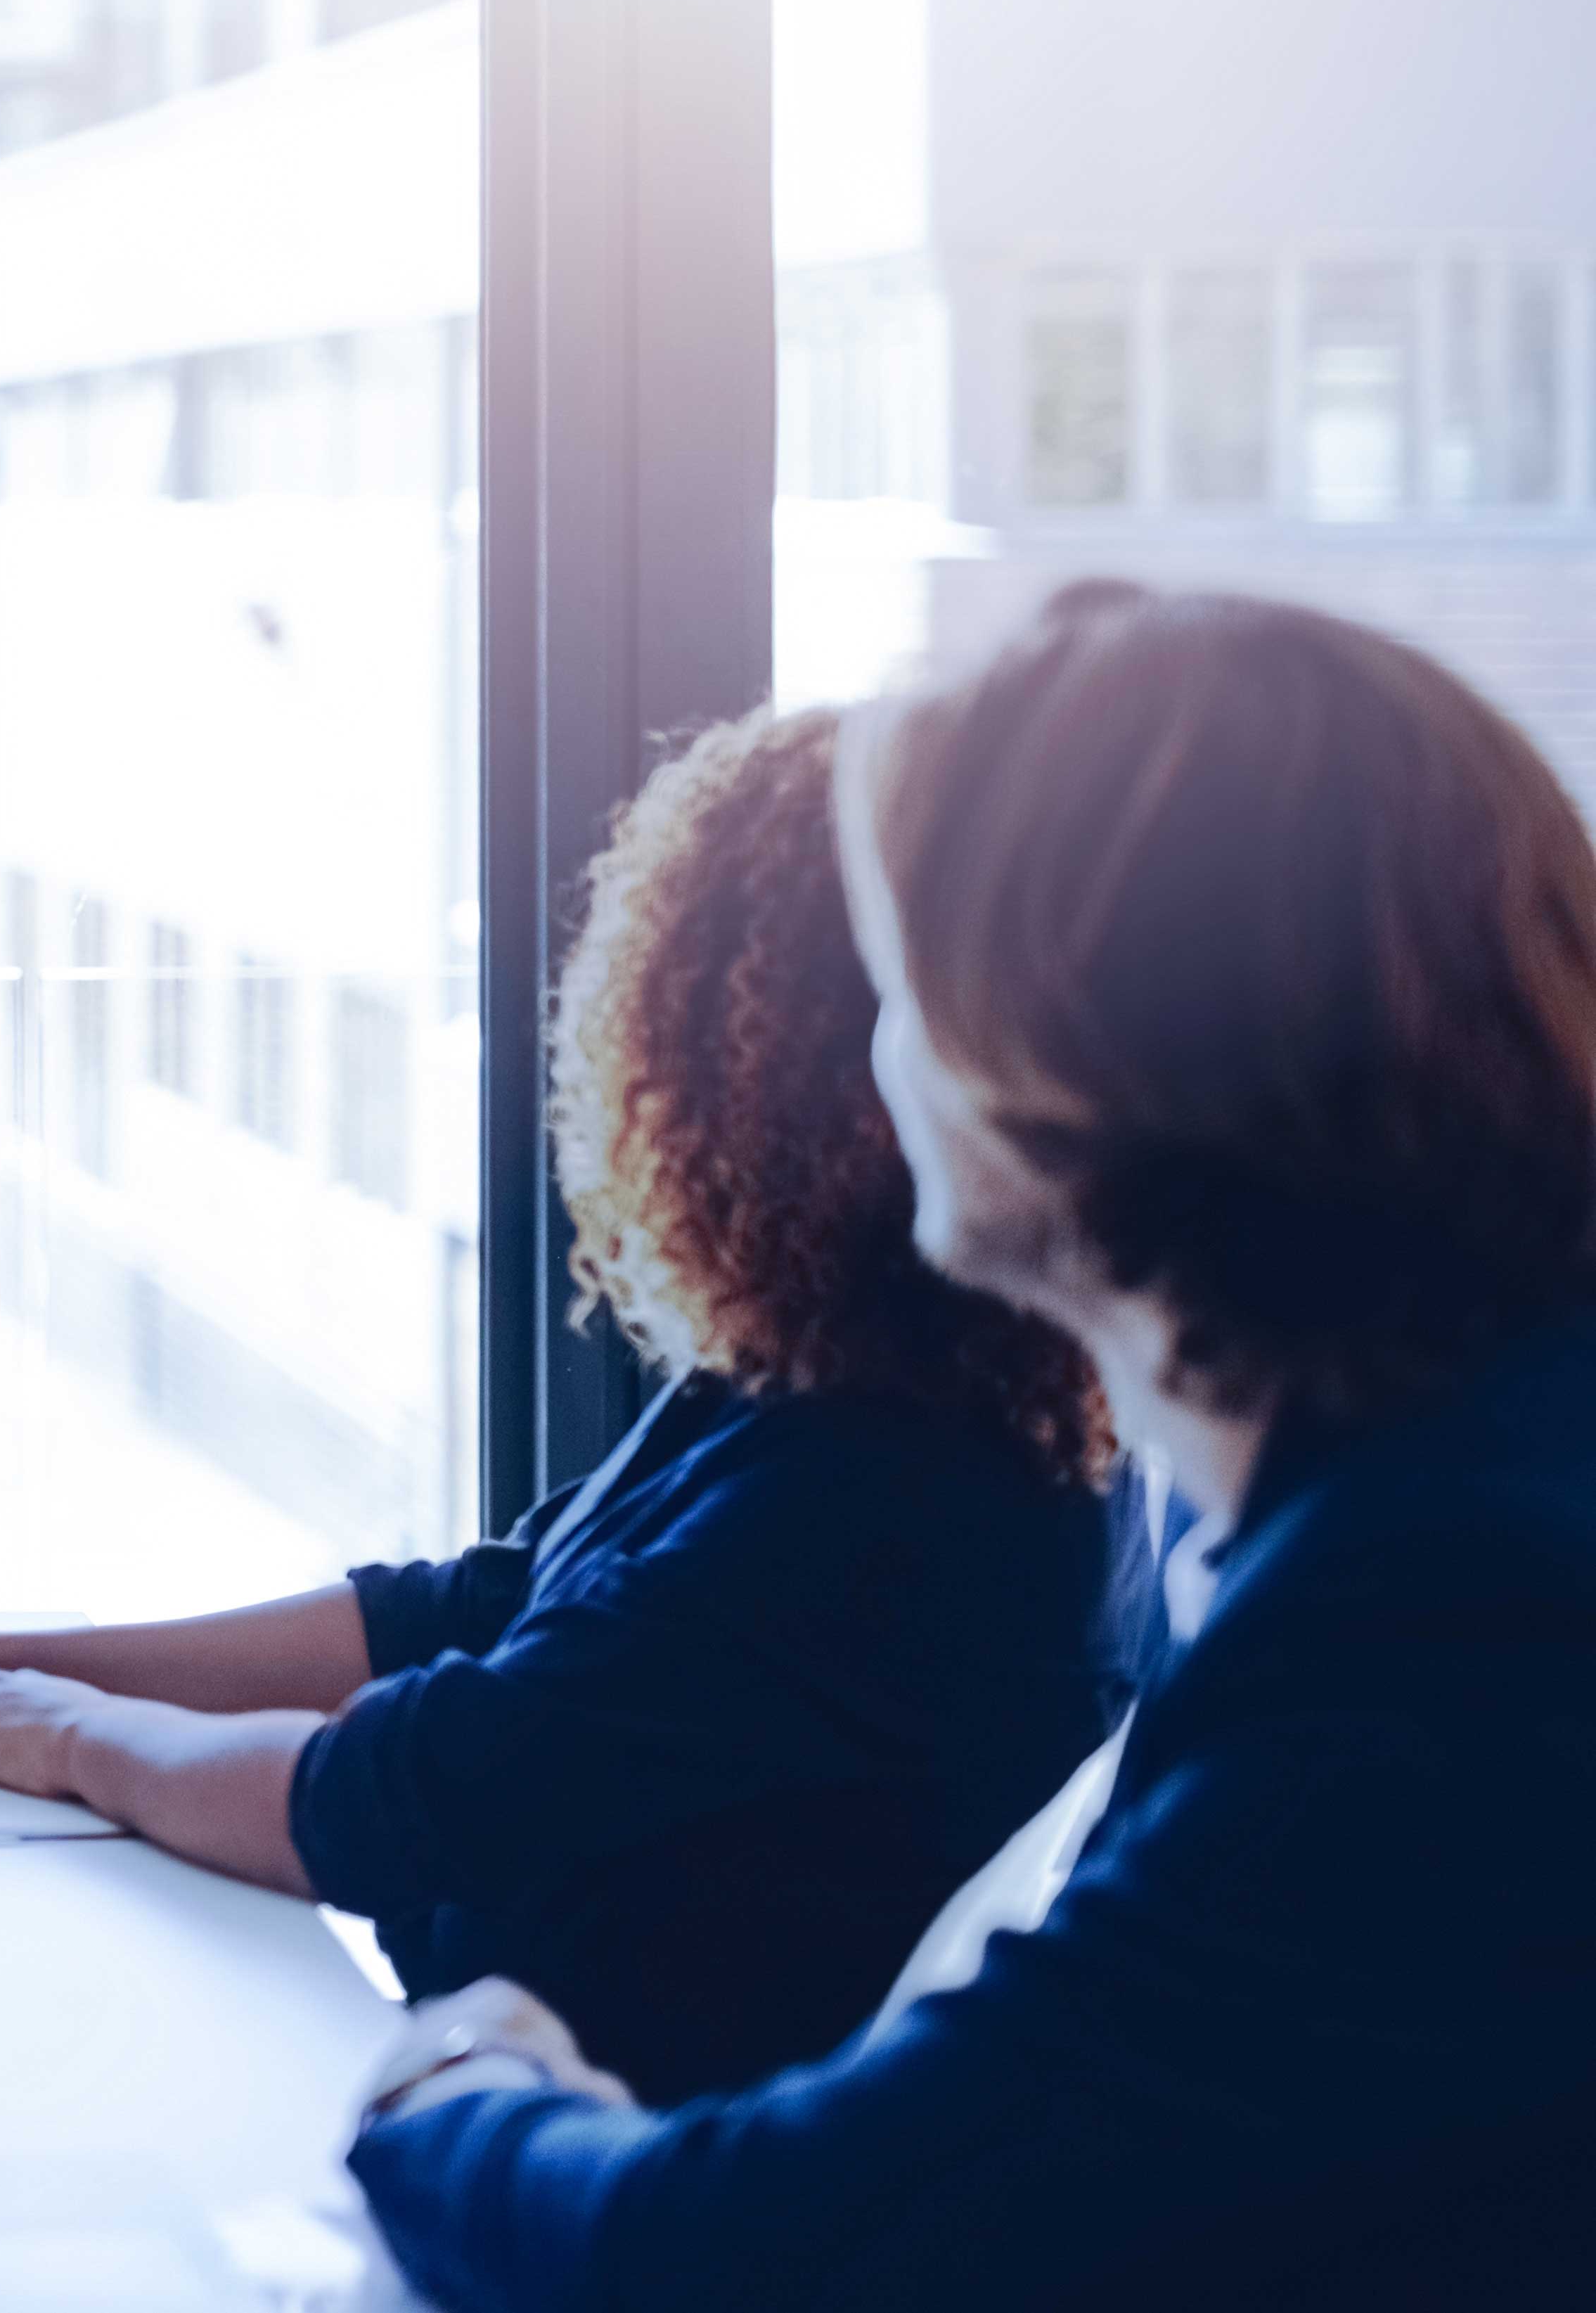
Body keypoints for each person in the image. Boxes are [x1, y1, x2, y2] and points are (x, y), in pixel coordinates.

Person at [349, 584, 1596, 2309]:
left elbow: (736, 2261)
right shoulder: (1421, 1489)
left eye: (901, 975)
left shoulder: (1441, 1629)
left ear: (1059, 1057)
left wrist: (449, 2089)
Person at [0, 705, 1152, 2106]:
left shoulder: (905, 1488)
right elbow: (469, 1610)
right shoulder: (845, 1374)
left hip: (587, 2196)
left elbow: (400, 1801)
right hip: (500, 2126)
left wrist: (61, 1731)